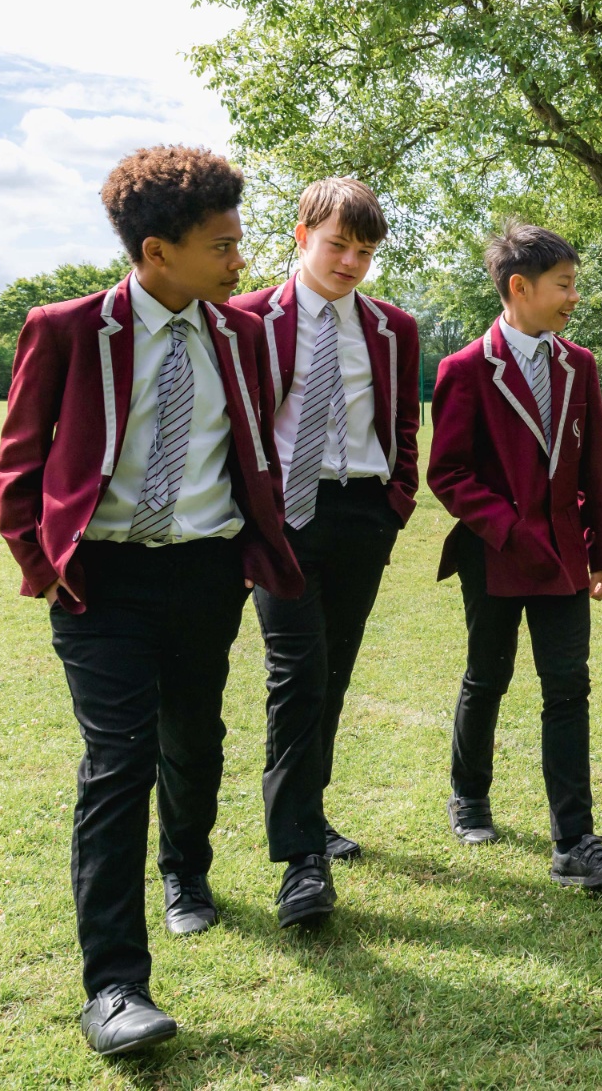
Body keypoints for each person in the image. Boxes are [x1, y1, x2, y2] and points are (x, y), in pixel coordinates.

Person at [0, 146, 302, 1057]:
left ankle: (188, 870)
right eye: (223, 246)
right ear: (157, 251)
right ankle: (116, 987)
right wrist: (40, 558)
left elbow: (254, 451)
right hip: (102, 579)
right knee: (118, 761)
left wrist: (252, 549)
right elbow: (19, 460)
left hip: (207, 573)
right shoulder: (64, 329)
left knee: (194, 736)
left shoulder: (245, 335)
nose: (241, 262)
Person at [426, 222, 602, 893]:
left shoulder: (580, 365)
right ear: (520, 287)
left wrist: (601, 550)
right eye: (565, 284)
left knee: (568, 687)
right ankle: (469, 794)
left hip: (565, 560)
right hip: (495, 556)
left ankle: (575, 840)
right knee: (486, 677)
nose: (575, 296)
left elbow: (594, 466)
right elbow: (448, 472)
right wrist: (510, 529)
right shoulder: (462, 370)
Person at [230, 178, 419, 925]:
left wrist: (395, 502)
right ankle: (301, 862)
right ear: (301, 233)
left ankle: (309, 811)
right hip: (281, 517)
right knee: (297, 671)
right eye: (338, 243)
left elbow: (404, 422)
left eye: (365, 250)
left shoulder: (394, 327)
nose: (350, 261)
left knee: (333, 672)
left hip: (361, 512)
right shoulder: (245, 319)